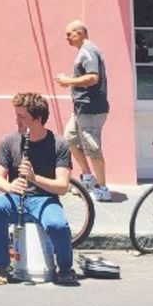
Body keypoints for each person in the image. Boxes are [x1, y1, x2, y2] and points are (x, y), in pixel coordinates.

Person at [0, 92, 81, 286]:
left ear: (37, 119)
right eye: (16, 116)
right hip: (16, 197)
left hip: (45, 199)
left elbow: (62, 187)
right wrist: (10, 186)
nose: (17, 121)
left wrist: (33, 178)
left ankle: (64, 268)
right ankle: (2, 266)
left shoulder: (59, 144)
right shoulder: (9, 141)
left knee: (57, 225)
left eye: (22, 117)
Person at [55, 20, 112, 202]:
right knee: (70, 138)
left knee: (93, 148)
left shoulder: (88, 51)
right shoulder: (84, 51)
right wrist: (71, 81)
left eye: (69, 34)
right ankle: (88, 177)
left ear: (80, 33)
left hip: (91, 109)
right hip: (81, 108)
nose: (66, 38)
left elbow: (93, 78)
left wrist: (68, 81)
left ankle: (103, 189)